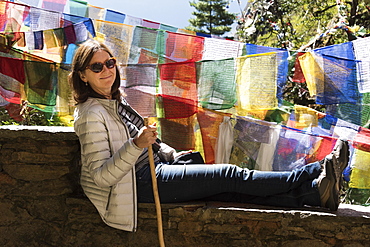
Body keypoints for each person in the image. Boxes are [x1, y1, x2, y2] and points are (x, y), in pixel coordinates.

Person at [70, 39, 350, 232]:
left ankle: (315, 193)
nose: (106, 70)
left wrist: (167, 151)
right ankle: (314, 171)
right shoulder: (90, 114)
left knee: (228, 191)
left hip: (156, 169)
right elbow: (101, 176)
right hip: (137, 184)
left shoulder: (115, 102)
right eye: (97, 67)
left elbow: (150, 145)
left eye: (109, 63)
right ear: (83, 76)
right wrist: (136, 144)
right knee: (230, 176)